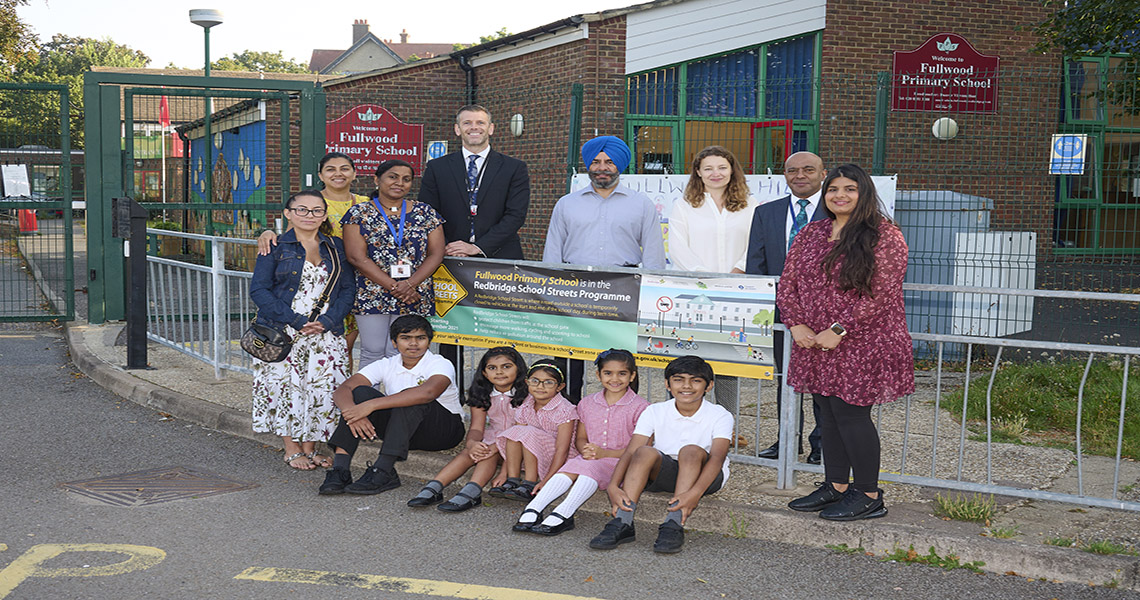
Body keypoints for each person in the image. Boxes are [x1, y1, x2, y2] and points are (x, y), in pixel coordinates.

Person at [777, 163, 914, 521]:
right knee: (829, 414)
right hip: (815, 342)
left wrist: (837, 330)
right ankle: (836, 485)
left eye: (849, 189)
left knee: (852, 415)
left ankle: (868, 493)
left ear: (864, 193)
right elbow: (787, 283)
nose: (840, 195)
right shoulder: (812, 233)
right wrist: (796, 324)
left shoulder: (885, 235)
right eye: (833, 189)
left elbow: (880, 293)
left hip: (862, 341)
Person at [543, 135, 666, 401]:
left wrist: (653, 292)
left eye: (609, 162)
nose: (602, 167)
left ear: (620, 165)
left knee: (621, 361)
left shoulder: (641, 203)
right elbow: (553, 252)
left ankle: (625, 414)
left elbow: (654, 252)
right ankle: (566, 413)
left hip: (624, 289)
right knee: (569, 356)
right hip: (574, 289)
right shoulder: (567, 203)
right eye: (596, 161)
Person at [419, 105, 531, 383]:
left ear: (491, 128)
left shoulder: (514, 168)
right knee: (451, 332)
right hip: (450, 260)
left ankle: (503, 395)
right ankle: (449, 393)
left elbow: (515, 215)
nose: (474, 127)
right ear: (458, 129)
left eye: (480, 122)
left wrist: (477, 246)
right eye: (467, 123)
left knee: (502, 332)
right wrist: (443, 246)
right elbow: (427, 213)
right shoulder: (437, 168)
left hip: (499, 258)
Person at [249, 190, 356, 470]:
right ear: (288, 213)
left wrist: (330, 320)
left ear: (324, 215)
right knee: (286, 388)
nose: (310, 216)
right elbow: (259, 289)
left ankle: (311, 448)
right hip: (283, 329)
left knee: (321, 388)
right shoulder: (275, 245)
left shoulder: (335, 246)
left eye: (317, 211)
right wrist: (295, 320)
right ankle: (291, 448)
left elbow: (347, 289)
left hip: (325, 331)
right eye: (303, 210)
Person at [589, 356, 733, 554]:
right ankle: (623, 522)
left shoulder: (720, 414)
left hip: (705, 476)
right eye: (678, 379)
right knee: (644, 451)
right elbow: (632, 451)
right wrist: (613, 486)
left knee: (690, 451)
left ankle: (673, 525)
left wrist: (694, 494)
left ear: (709, 386)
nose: (687, 386)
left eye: (696, 380)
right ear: (667, 384)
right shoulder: (654, 411)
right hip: (666, 473)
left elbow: (717, 458)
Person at [317, 315, 466, 495]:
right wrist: (353, 413)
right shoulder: (386, 364)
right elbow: (343, 389)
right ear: (394, 343)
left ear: (428, 341)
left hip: (442, 431)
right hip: (402, 431)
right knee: (359, 393)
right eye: (405, 338)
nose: (413, 344)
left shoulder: (440, 363)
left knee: (411, 397)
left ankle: (383, 470)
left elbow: (428, 393)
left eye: (420, 338)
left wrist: (370, 406)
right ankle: (340, 470)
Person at [745, 151, 828, 464]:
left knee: (822, 379)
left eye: (808, 170)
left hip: (824, 313)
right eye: (792, 171)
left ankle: (823, 442)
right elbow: (757, 264)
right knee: (786, 378)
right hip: (781, 313)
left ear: (823, 173)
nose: (800, 176)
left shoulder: (837, 209)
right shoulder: (767, 213)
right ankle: (788, 440)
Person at [512, 349, 649, 537]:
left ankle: (564, 513)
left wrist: (603, 454)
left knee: (588, 472)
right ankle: (535, 507)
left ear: (632, 375)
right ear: (598, 375)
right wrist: (585, 449)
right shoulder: (587, 403)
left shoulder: (642, 407)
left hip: (621, 461)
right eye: (608, 373)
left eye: (622, 373)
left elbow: (641, 448)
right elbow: (581, 438)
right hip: (590, 458)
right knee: (568, 469)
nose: (614, 379)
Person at [258, 152, 370, 372]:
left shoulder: (366, 204)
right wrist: (268, 232)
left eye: (344, 168)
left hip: (359, 280)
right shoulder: (311, 201)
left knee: (344, 345)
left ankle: (340, 391)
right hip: (321, 279)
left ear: (354, 173)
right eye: (330, 169)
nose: (338, 173)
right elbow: (292, 238)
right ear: (321, 174)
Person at [341, 160, 445, 369]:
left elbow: (436, 253)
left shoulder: (425, 213)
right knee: (373, 350)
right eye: (393, 177)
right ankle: (369, 400)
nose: (400, 183)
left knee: (402, 353)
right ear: (377, 179)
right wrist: (397, 287)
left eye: (406, 179)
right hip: (373, 291)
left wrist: (410, 284)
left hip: (414, 291)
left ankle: (396, 400)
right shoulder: (359, 213)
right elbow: (356, 257)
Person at [406, 347, 528, 512]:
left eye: (506, 367)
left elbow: (522, 431)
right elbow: (477, 427)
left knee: (487, 453)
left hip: (521, 447)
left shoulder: (528, 395)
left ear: (518, 369)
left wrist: (503, 470)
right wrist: (471, 443)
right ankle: (434, 487)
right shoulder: (482, 393)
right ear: (484, 373)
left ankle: (472, 492)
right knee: (475, 450)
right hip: (494, 441)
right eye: (492, 368)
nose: (499, 372)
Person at [488, 358, 578, 502]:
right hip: (533, 454)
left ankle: (530, 483)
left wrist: (547, 481)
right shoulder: (526, 404)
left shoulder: (565, 410)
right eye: (535, 381)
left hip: (560, 459)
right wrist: (502, 473)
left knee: (528, 433)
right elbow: (515, 436)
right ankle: (512, 479)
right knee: (517, 431)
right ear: (527, 382)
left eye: (548, 382)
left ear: (560, 386)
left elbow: (563, 450)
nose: (540, 387)